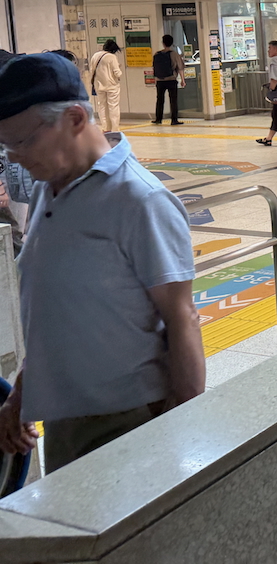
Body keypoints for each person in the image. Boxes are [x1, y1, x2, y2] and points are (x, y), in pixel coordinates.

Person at [0, 53, 205, 472]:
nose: (14, 157)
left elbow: (182, 318)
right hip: (64, 419)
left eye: (23, 142)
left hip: (129, 420)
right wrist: (22, 394)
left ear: (75, 119)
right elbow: (55, 312)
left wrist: (180, 424)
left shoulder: (140, 200)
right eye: (6, 146)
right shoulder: (47, 188)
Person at [87, 39, 123, 132]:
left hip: (99, 85)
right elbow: (117, 73)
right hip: (112, 86)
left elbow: (91, 70)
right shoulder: (112, 57)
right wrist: (119, 68)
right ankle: (115, 128)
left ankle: (105, 128)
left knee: (102, 106)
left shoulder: (95, 55)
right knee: (113, 106)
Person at [151, 34, 186, 125]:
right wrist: (183, 80)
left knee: (160, 100)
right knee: (173, 100)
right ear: (171, 43)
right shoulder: (174, 54)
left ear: (163, 43)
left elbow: (154, 67)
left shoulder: (157, 54)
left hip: (160, 80)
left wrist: (156, 79)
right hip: (171, 79)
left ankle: (158, 119)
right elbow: (180, 68)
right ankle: (174, 120)